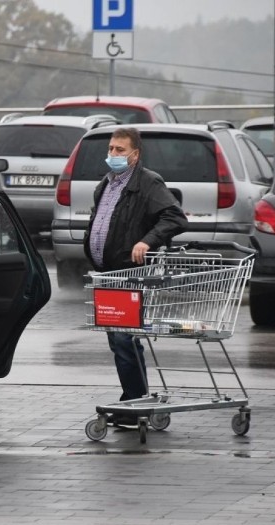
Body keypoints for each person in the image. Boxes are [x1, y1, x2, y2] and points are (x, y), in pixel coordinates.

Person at [83, 127, 188, 425]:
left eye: (119, 150)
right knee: (120, 340)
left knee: (123, 338)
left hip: (129, 274)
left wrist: (147, 241)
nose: (113, 154)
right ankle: (134, 399)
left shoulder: (147, 182)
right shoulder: (107, 183)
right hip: (107, 273)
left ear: (135, 154)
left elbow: (175, 217)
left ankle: (133, 403)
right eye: (111, 149)